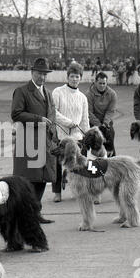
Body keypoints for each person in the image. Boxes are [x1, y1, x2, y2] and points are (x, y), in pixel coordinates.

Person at [11, 57, 58, 224]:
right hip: (28, 143)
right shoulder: (22, 91)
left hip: (45, 143)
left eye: (45, 74)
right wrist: (39, 119)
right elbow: (16, 114)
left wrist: (54, 138)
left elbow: (52, 116)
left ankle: (36, 214)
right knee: (29, 181)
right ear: (32, 73)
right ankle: (27, 216)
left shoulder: (48, 93)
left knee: (42, 179)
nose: (42, 77)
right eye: (39, 73)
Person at [51, 62, 90, 202]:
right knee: (57, 166)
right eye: (72, 76)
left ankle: (77, 190)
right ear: (67, 77)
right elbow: (53, 113)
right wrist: (68, 122)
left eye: (77, 76)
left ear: (80, 78)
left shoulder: (83, 97)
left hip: (78, 137)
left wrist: (87, 135)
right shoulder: (58, 92)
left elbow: (85, 119)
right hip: (61, 137)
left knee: (79, 165)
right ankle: (57, 193)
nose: (75, 79)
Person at [85, 71, 117, 156]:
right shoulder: (89, 94)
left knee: (110, 147)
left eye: (104, 83)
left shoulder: (112, 94)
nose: (102, 85)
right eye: (100, 83)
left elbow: (110, 111)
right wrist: (98, 125)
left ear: (107, 83)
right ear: (95, 82)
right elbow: (89, 112)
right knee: (93, 148)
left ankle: (111, 160)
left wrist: (104, 124)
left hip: (107, 123)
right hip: (93, 124)